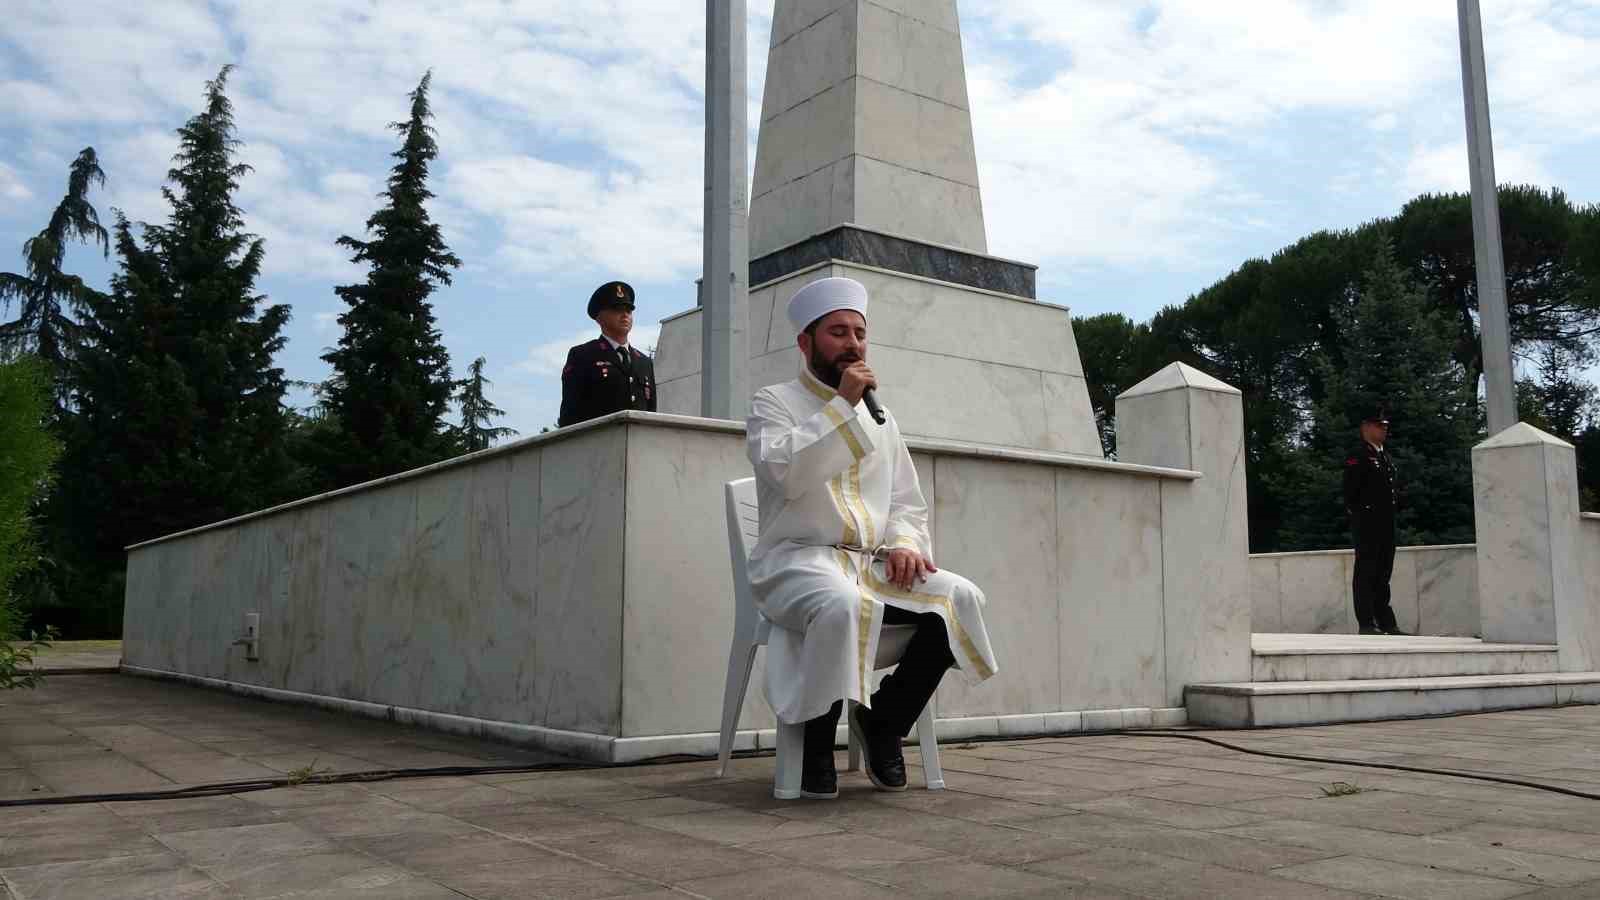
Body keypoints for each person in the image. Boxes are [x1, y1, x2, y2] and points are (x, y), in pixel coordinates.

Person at [745, 276, 999, 800]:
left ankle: (884, 722)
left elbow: (907, 500)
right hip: (797, 561)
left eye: (859, 333)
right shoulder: (772, 403)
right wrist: (841, 407)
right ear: (806, 342)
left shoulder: (883, 419)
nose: (853, 344)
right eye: (838, 332)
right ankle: (817, 740)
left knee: (958, 597)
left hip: (871, 563)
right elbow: (786, 474)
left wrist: (906, 543)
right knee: (840, 604)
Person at [1343, 407, 1408, 636]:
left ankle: (1386, 622)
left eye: (1386, 426)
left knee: (1383, 572)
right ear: (1366, 427)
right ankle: (1367, 622)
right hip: (1367, 522)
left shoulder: (1384, 457)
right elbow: (1351, 491)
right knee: (1366, 571)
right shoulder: (1358, 455)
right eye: (1380, 425)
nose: (1384, 429)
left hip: (1386, 522)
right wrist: (1360, 515)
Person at [557, 281, 656, 428]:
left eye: (628, 310)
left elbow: (651, 413)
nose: (625, 315)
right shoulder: (583, 355)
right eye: (617, 309)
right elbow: (570, 415)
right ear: (599, 318)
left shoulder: (644, 362)